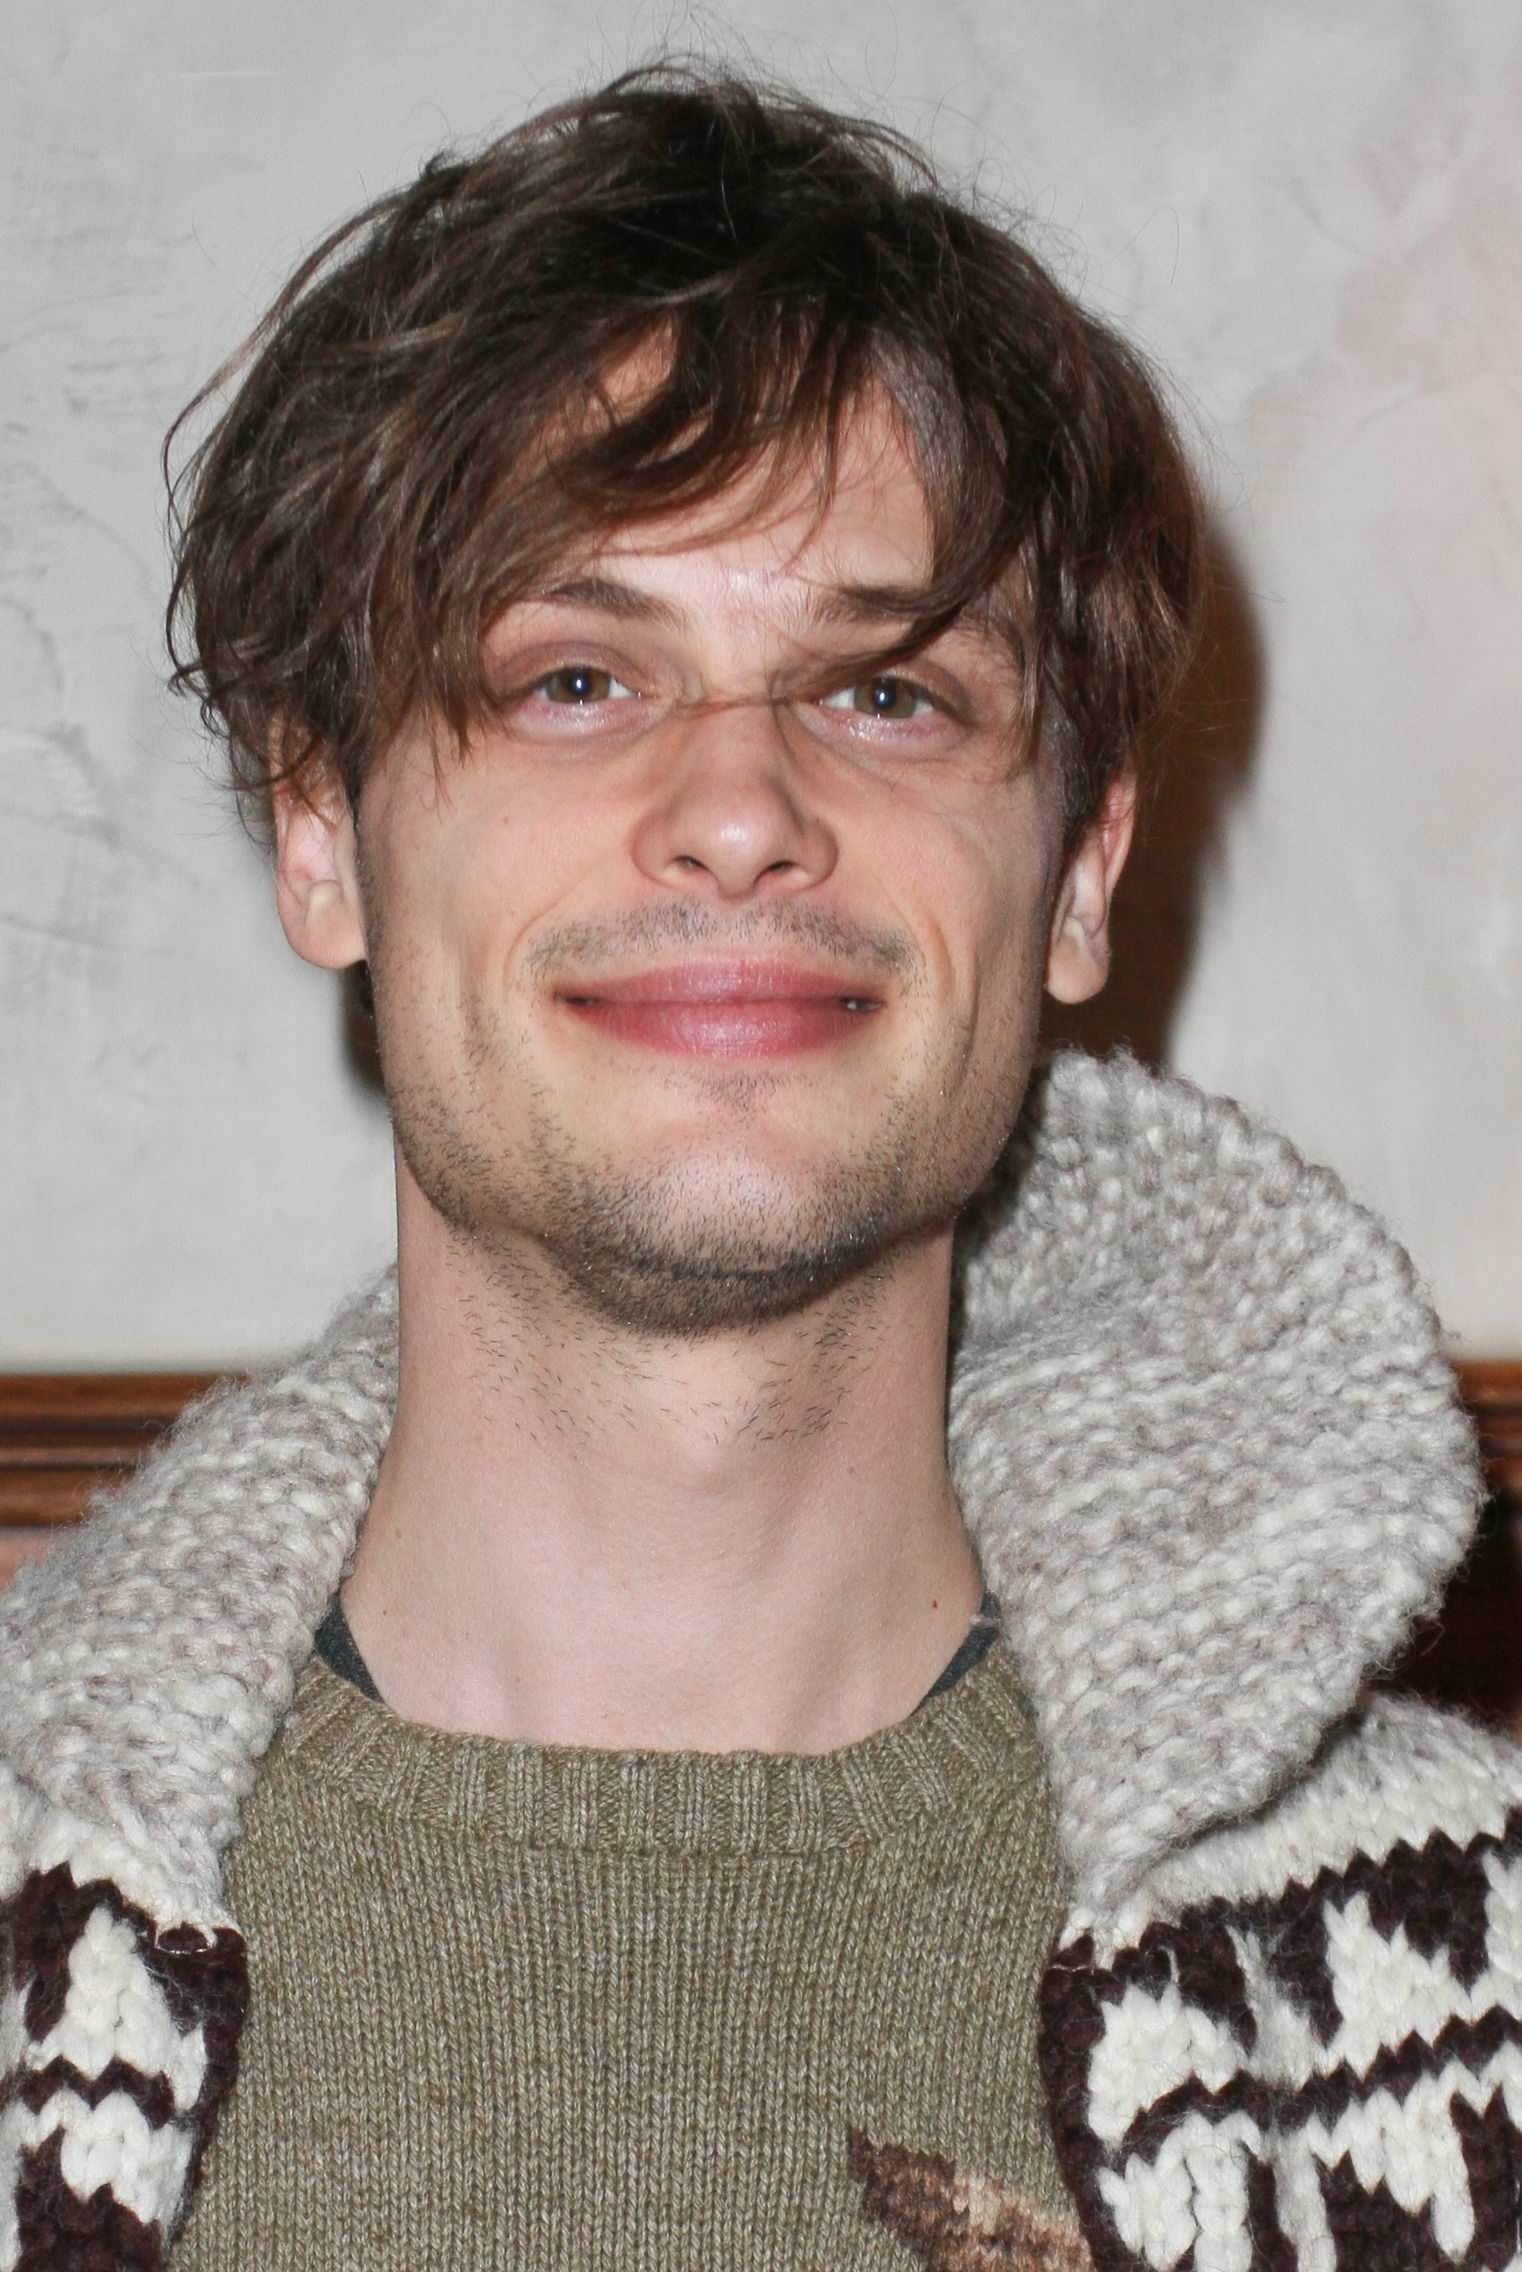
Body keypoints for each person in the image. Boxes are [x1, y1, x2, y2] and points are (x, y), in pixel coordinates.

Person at [2, 64, 1517, 2272]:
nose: (737, 810)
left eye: (885, 693)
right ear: (321, 827)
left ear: (1079, 868)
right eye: (575, 676)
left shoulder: (1475, 2001)